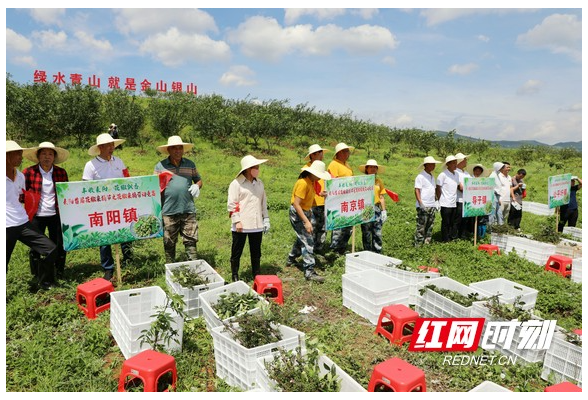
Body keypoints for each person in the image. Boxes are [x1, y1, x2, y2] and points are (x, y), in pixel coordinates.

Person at [6, 140, 58, 290]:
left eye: (21, 153)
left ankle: (45, 281)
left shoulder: (21, 177)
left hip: (22, 223)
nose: (21, 157)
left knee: (51, 249)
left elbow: (19, 197)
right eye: (17, 154)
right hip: (7, 227)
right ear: (7, 156)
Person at [83, 133, 132, 281]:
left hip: (121, 205)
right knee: (104, 238)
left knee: (126, 232)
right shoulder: (91, 165)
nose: (111, 148)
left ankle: (129, 259)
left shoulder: (119, 161)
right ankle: (108, 267)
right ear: (100, 148)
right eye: (107, 146)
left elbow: (127, 179)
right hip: (102, 207)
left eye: (112, 145)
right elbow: (86, 187)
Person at [22, 142, 70, 279]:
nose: (47, 157)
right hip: (36, 215)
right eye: (43, 154)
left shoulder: (61, 173)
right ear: (38, 156)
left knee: (59, 245)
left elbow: (66, 194)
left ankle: (59, 271)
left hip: (56, 214)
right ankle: (37, 273)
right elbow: (21, 194)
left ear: (54, 157)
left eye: (50, 154)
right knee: (36, 246)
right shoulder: (29, 172)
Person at [154, 136, 203, 264]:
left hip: (187, 208)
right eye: (174, 148)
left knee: (190, 239)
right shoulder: (160, 166)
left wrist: (197, 185)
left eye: (180, 148)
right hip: (169, 210)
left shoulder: (190, 164)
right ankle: (170, 267)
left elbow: (198, 179)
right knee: (169, 240)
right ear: (169, 150)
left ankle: (193, 265)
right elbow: (153, 187)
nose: (177, 151)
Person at [287, 160, 332, 282]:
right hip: (298, 214)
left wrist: (321, 194)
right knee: (308, 241)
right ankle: (309, 271)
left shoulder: (311, 182)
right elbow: (296, 204)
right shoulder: (303, 183)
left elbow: (309, 200)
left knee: (302, 237)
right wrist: (306, 221)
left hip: (305, 212)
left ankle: (291, 258)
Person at [227, 155, 270, 282]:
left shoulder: (259, 183)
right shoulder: (236, 184)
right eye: (254, 167)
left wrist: (266, 218)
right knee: (237, 251)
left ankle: (256, 274)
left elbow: (263, 202)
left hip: (257, 223)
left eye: (257, 167)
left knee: (256, 251)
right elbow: (232, 204)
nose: (257, 169)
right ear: (247, 169)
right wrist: (237, 220)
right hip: (241, 224)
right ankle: (235, 275)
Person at [302, 144, 330, 254]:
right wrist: (319, 193)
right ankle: (308, 251)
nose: (321, 155)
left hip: (323, 202)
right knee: (311, 228)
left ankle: (318, 250)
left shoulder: (322, 167)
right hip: (312, 204)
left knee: (322, 228)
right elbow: (308, 187)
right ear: (312, 155)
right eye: (318, 153)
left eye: (321, 152)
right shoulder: (307, 169)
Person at [328, 142, 354, 254]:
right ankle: (334, 249)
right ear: (339, 153)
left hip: (349, 200)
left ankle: (342, 247)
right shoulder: (334, 164)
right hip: (339, 200)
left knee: (348, 225)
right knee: (338, 225)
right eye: (346, 151)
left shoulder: (347, 165)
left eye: (348, 151)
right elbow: (333, 183)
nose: (348, 153)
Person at [358, 159, 387, 253]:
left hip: (376, 208)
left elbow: (381, 197)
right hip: (366, 208)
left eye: (375, 167)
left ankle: (377, 252)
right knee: (366, 233)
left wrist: (384, 211)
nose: (373, 169)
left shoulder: (378, 182)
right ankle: (367, 252)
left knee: (377, 232)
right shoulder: (361, 181)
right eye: (370, 167)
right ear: (366, 169)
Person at [414, 156, 442, 246]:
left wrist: (436, 201)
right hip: (424, 204)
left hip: (432, 204)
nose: (433, 166)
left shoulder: (432, 177)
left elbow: (433, 190)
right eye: (431, 164)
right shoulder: (420, 176)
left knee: (430, 225)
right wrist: (420, 202)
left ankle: (427, 243)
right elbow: (417, 190)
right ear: (426, 165)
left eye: (434, 164)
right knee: (421, 226)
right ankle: (418, 245)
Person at [436, 155, 461, 242]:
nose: (455, 165)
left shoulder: (456, 174)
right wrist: (439, 201)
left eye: (456, 163)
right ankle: (444, 239)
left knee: (452, 221)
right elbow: (438, 188)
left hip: (453, 202)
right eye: (453, 163)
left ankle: (450, 237)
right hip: (445, 202)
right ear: (448, 164)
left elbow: (458, 186)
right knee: (445, 222)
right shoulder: (443, 175)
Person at [468, 163, 490, 238]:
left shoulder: (483, 181)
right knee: (471, 219)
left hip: (480, 202)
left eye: (479, 171)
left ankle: (479, 235)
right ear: (473, 171)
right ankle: (471, 233)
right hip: (471, 202)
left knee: (480, 219)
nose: (477, 172)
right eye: (476, 171)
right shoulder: (470, 179)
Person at [455, 152, 472, 239]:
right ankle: (455, 235)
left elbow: (471, 184)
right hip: (459, 199)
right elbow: (460, 187)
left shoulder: (466, 173)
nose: (466, 162)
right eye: (465, 160)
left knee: (465, 219)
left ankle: (462, 234)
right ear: (460, 161)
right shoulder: (455, 172)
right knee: (458, 219)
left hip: (467, 199)